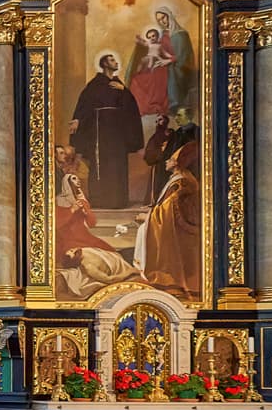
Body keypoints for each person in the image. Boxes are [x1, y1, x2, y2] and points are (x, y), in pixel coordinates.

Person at [71, 52, 145, 207]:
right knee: (101, 165)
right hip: (99, 131)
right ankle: (100, 200)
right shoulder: (94, 84)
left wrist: (124, 91)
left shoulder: (120, 85)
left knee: (117, 164)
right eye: (111, 59)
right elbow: (84, 104)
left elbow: (131, 107)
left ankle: (118, 200)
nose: (115, 62)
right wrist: (78, 119)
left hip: (117, 133)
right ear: (104, 64)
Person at [141, 131, 204, 296]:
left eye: (170, 159)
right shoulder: (181, 179)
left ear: (177, 163)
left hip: (177, 233)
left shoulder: (181, 182)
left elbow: (166, 212)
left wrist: (147, 217)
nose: (166, 161)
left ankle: (166, 279)